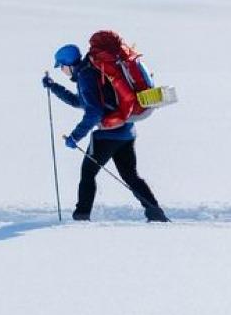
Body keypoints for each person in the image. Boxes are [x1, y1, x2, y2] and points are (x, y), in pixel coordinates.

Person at [44, 43, 168, 222]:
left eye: (61, 66)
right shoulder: (91, 72)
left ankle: (81, 216)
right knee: (130, 175)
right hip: (126, 131)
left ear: (69, 64)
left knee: (88, 173)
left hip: (107, 135)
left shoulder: (86, 77)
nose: (62, 70)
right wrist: (54, 87)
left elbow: (94, 112)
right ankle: (155, 213)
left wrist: (75, 137)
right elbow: (80, 101)